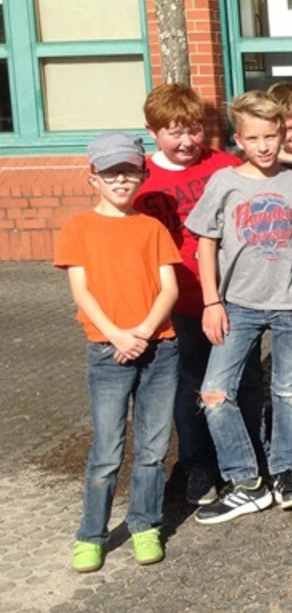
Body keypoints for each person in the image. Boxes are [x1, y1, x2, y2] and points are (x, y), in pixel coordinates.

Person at [186, 91, 292, 523]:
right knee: (215, 393)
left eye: (272, 136)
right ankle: (246, 481)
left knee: (290, 392)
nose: (264, 146)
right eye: (254, 137)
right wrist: (211, 300)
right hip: (236, 304)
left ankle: (286, 472)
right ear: (238, 138)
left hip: (291, 303)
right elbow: (206, 244)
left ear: (282, 135)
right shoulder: (224, 182)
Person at [57, 132, 182, 573]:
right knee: (108, 450)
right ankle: (91, 534)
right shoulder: (78, 229)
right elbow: (82, 291)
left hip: (159, 349)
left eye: (129, 170)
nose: (121, 179)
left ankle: (145, 524)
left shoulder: (152, 228)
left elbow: (169, 286)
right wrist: (117, 336)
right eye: (110, 172)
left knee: (152, 447)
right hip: (107, 351)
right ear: (93, 178)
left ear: (143, 174)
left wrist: (144, 332)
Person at [132, 84, 247, 507]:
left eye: (194, 130)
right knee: (190, 384)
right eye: (174, 132)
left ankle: (244, 459)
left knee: (238, 382)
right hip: (177, 300)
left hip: (232, 295)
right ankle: (199, 464)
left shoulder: (224, 166)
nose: (186, 142)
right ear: (151, 131)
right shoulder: (143, 180)